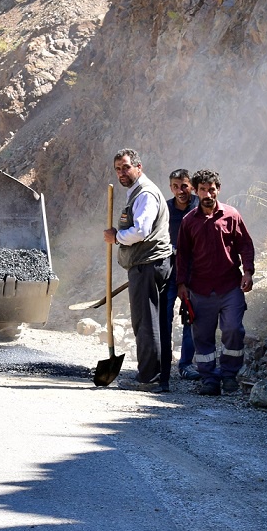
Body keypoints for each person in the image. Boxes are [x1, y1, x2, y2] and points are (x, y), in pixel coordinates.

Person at [175, 169, 255, 396]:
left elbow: (245, 246)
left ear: (218, 189)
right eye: (202, 189)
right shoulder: (189, 221)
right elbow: (182, 255)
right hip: (199, 290)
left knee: (233, 329)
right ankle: (209, 379)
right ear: (196, 192)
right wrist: (182, 285)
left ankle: (229, 376)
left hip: (230, 287)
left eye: (211, 189)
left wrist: (247, 272)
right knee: (202, 336)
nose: (207, 193)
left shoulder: (232, 215)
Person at [103, 149, 173, 391]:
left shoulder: (145, 194)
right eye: (118, 169)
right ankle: (158, 376)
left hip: (147, 264)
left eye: (126, 167)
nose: (122, 173)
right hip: (149, 264)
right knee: (152, 320)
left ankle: (149, 378)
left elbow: (141, 231)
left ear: (139, 167)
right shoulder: (137, 193)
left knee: (145, 321)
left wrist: (117, 237)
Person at [166, 169, 200, 380]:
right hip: (169, 272)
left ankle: (186, 364)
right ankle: (162, 364)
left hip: (194, 274)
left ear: (191, 186)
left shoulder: (199, 206)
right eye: (176, 186)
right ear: (171, 188)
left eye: (184, 186)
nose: (181, 191)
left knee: (191, 318)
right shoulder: (165, 209)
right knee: (164, 317)